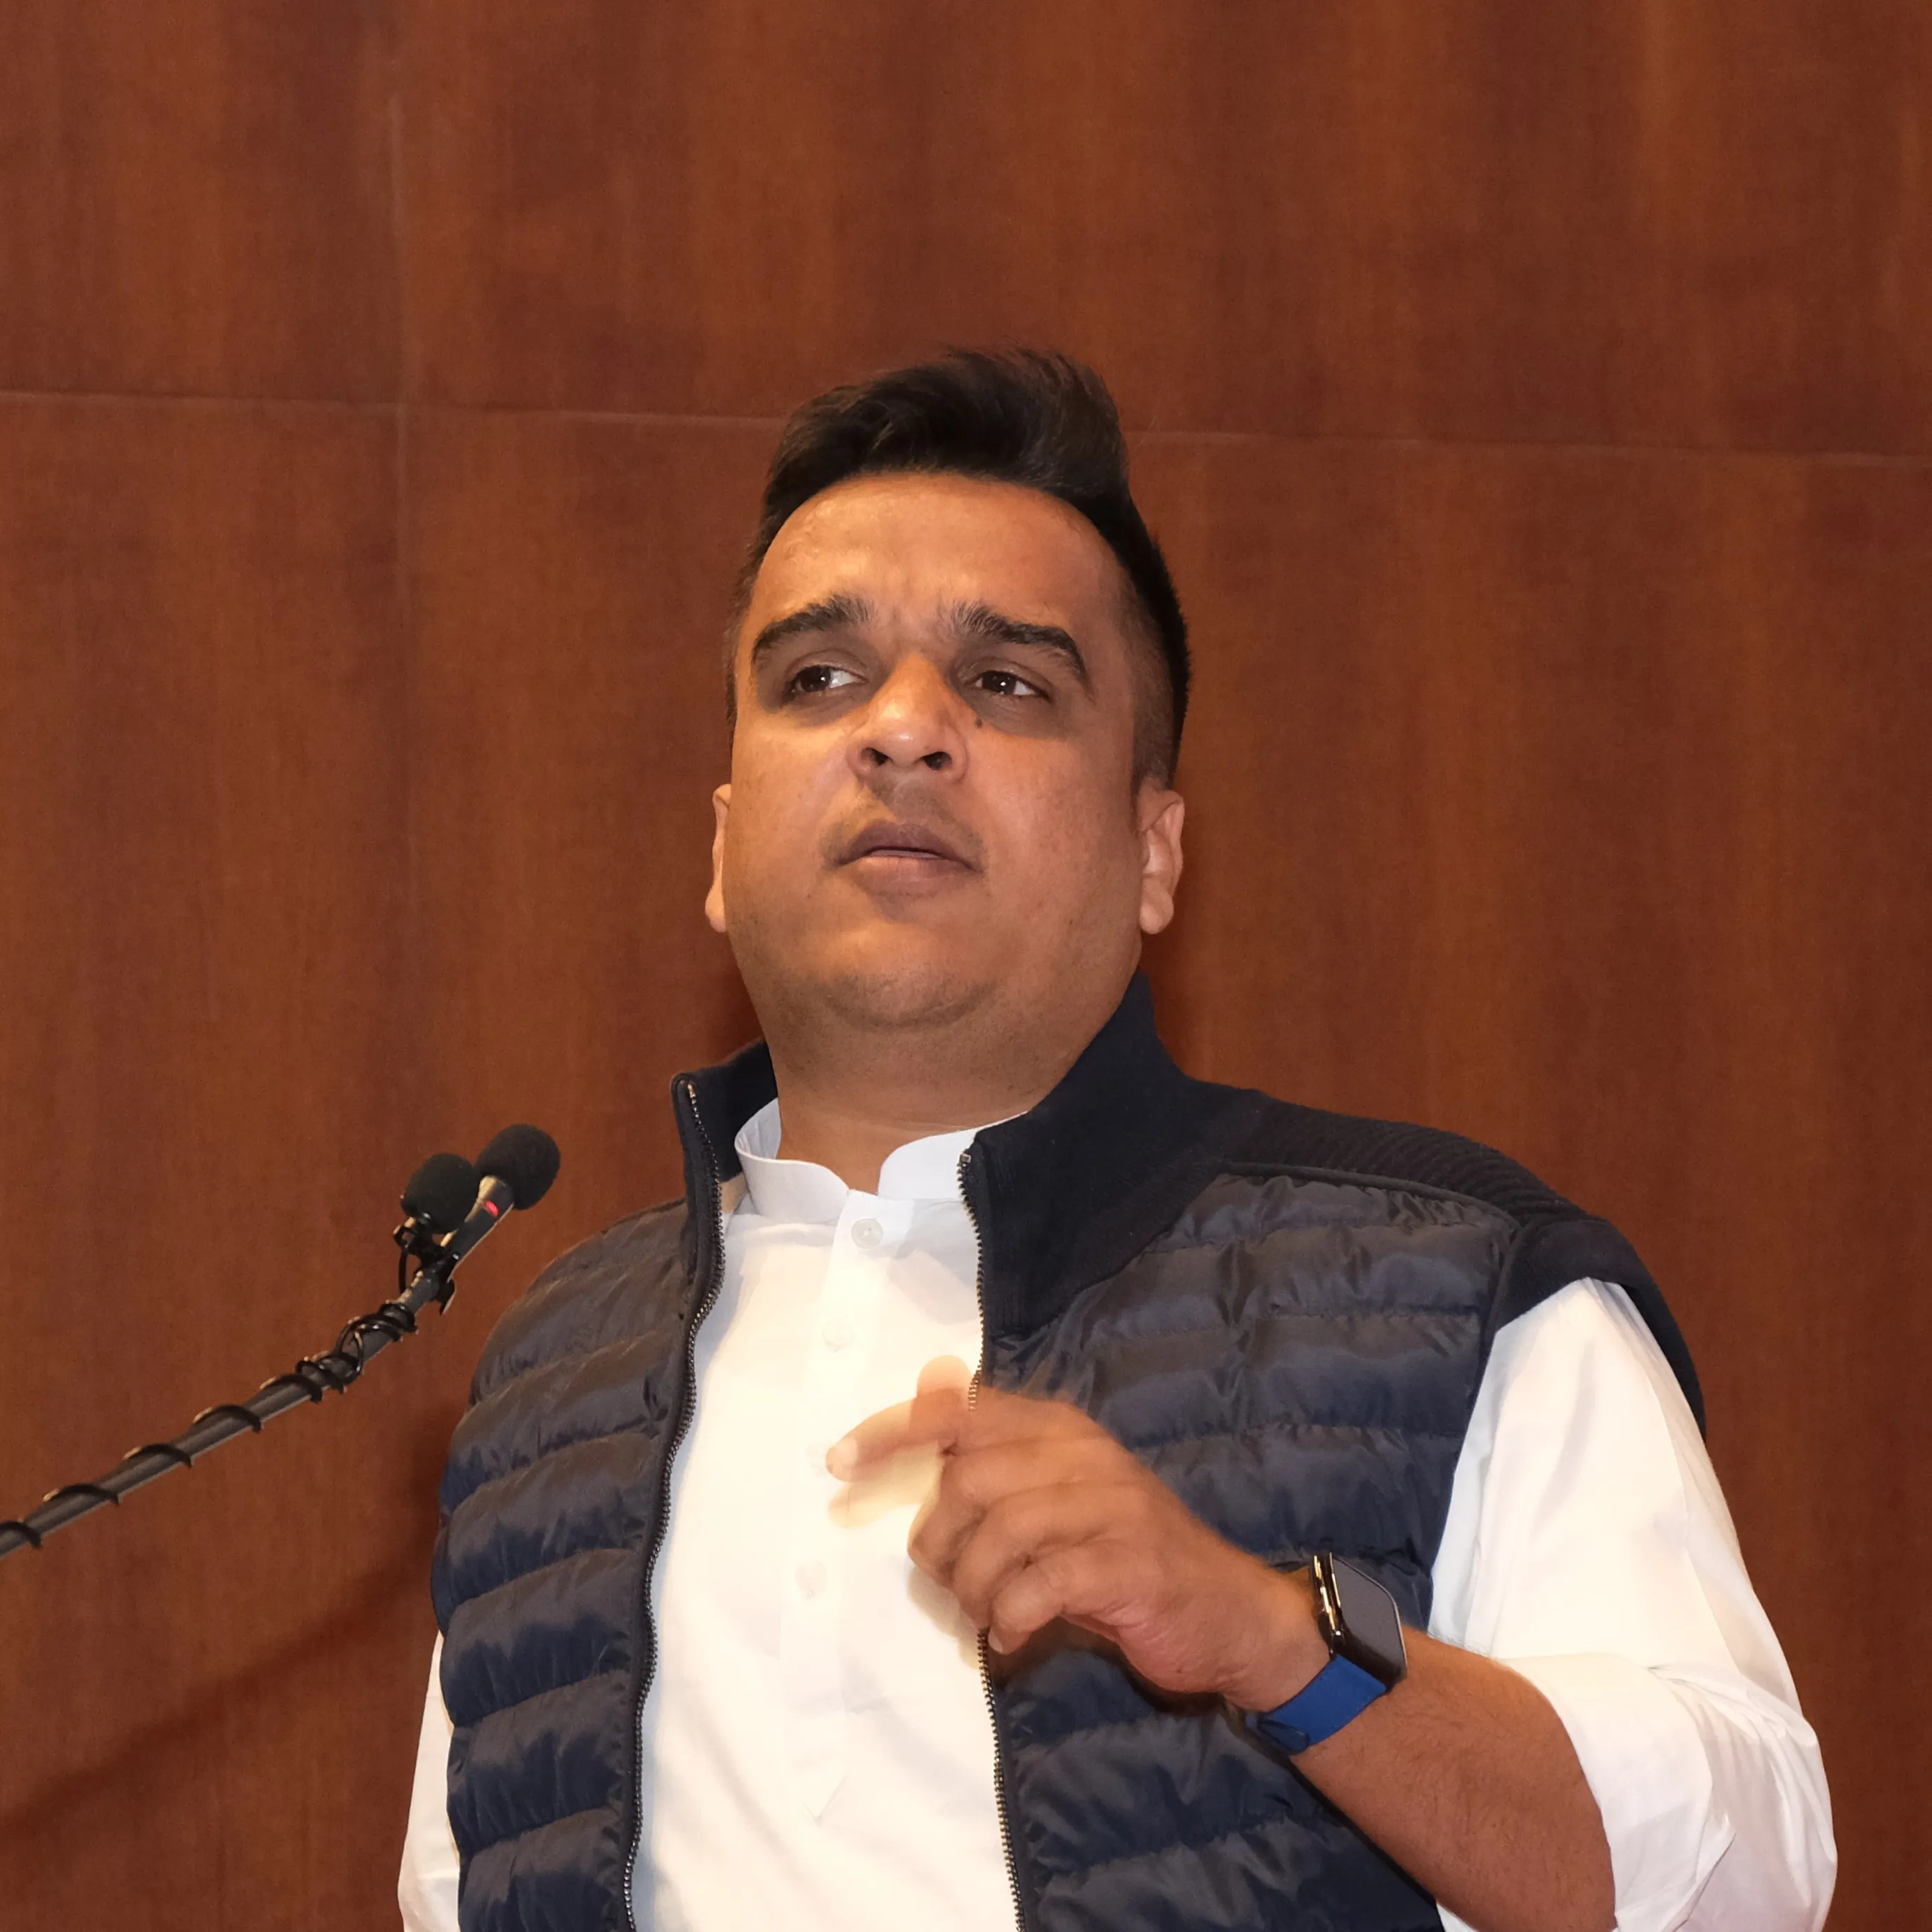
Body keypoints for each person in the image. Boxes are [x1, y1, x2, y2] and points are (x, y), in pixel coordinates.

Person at [398, 351, 1833, 1932]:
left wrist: (1277, 1640)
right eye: (816, 678)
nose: (902, 729)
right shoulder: (555, 1380)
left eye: (1007, 683)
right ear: (726, 844)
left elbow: (1745, 1884)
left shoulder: (1460, 1290)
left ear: (1156, 852)